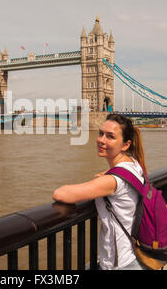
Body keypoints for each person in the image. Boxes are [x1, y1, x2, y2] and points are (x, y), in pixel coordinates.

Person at [52, 113, 148, 270]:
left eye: (110, 137)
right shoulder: (134, 165)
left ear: (125, 145)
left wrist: (102, 181)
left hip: (122, 264)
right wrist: (108, 174)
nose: (101, 140)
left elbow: (60, 194)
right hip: (137, 256)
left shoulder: (112, 181)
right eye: (101, 133)